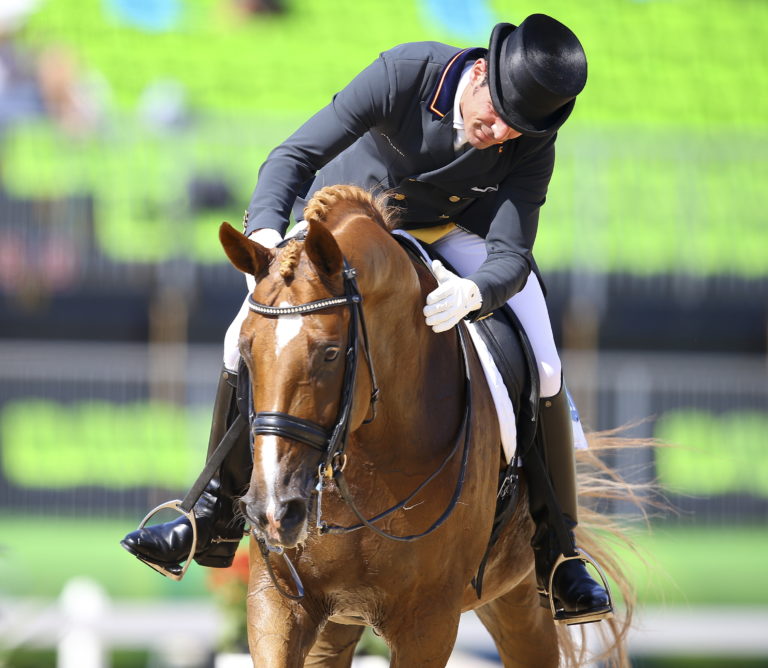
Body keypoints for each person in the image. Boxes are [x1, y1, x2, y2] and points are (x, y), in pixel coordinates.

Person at [122, 13, 612, 623]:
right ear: (480, 72)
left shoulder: (531, 135)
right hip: (347, 227)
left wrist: (475, 293)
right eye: (497, 114)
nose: (500, 134)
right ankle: (212, 511)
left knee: (545, 362)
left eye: (517, 128)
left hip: (454, 235)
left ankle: (559, 551)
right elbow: (294, 155)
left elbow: (511, 251)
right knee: (236, 338)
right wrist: (268, 233)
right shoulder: (407, 73)